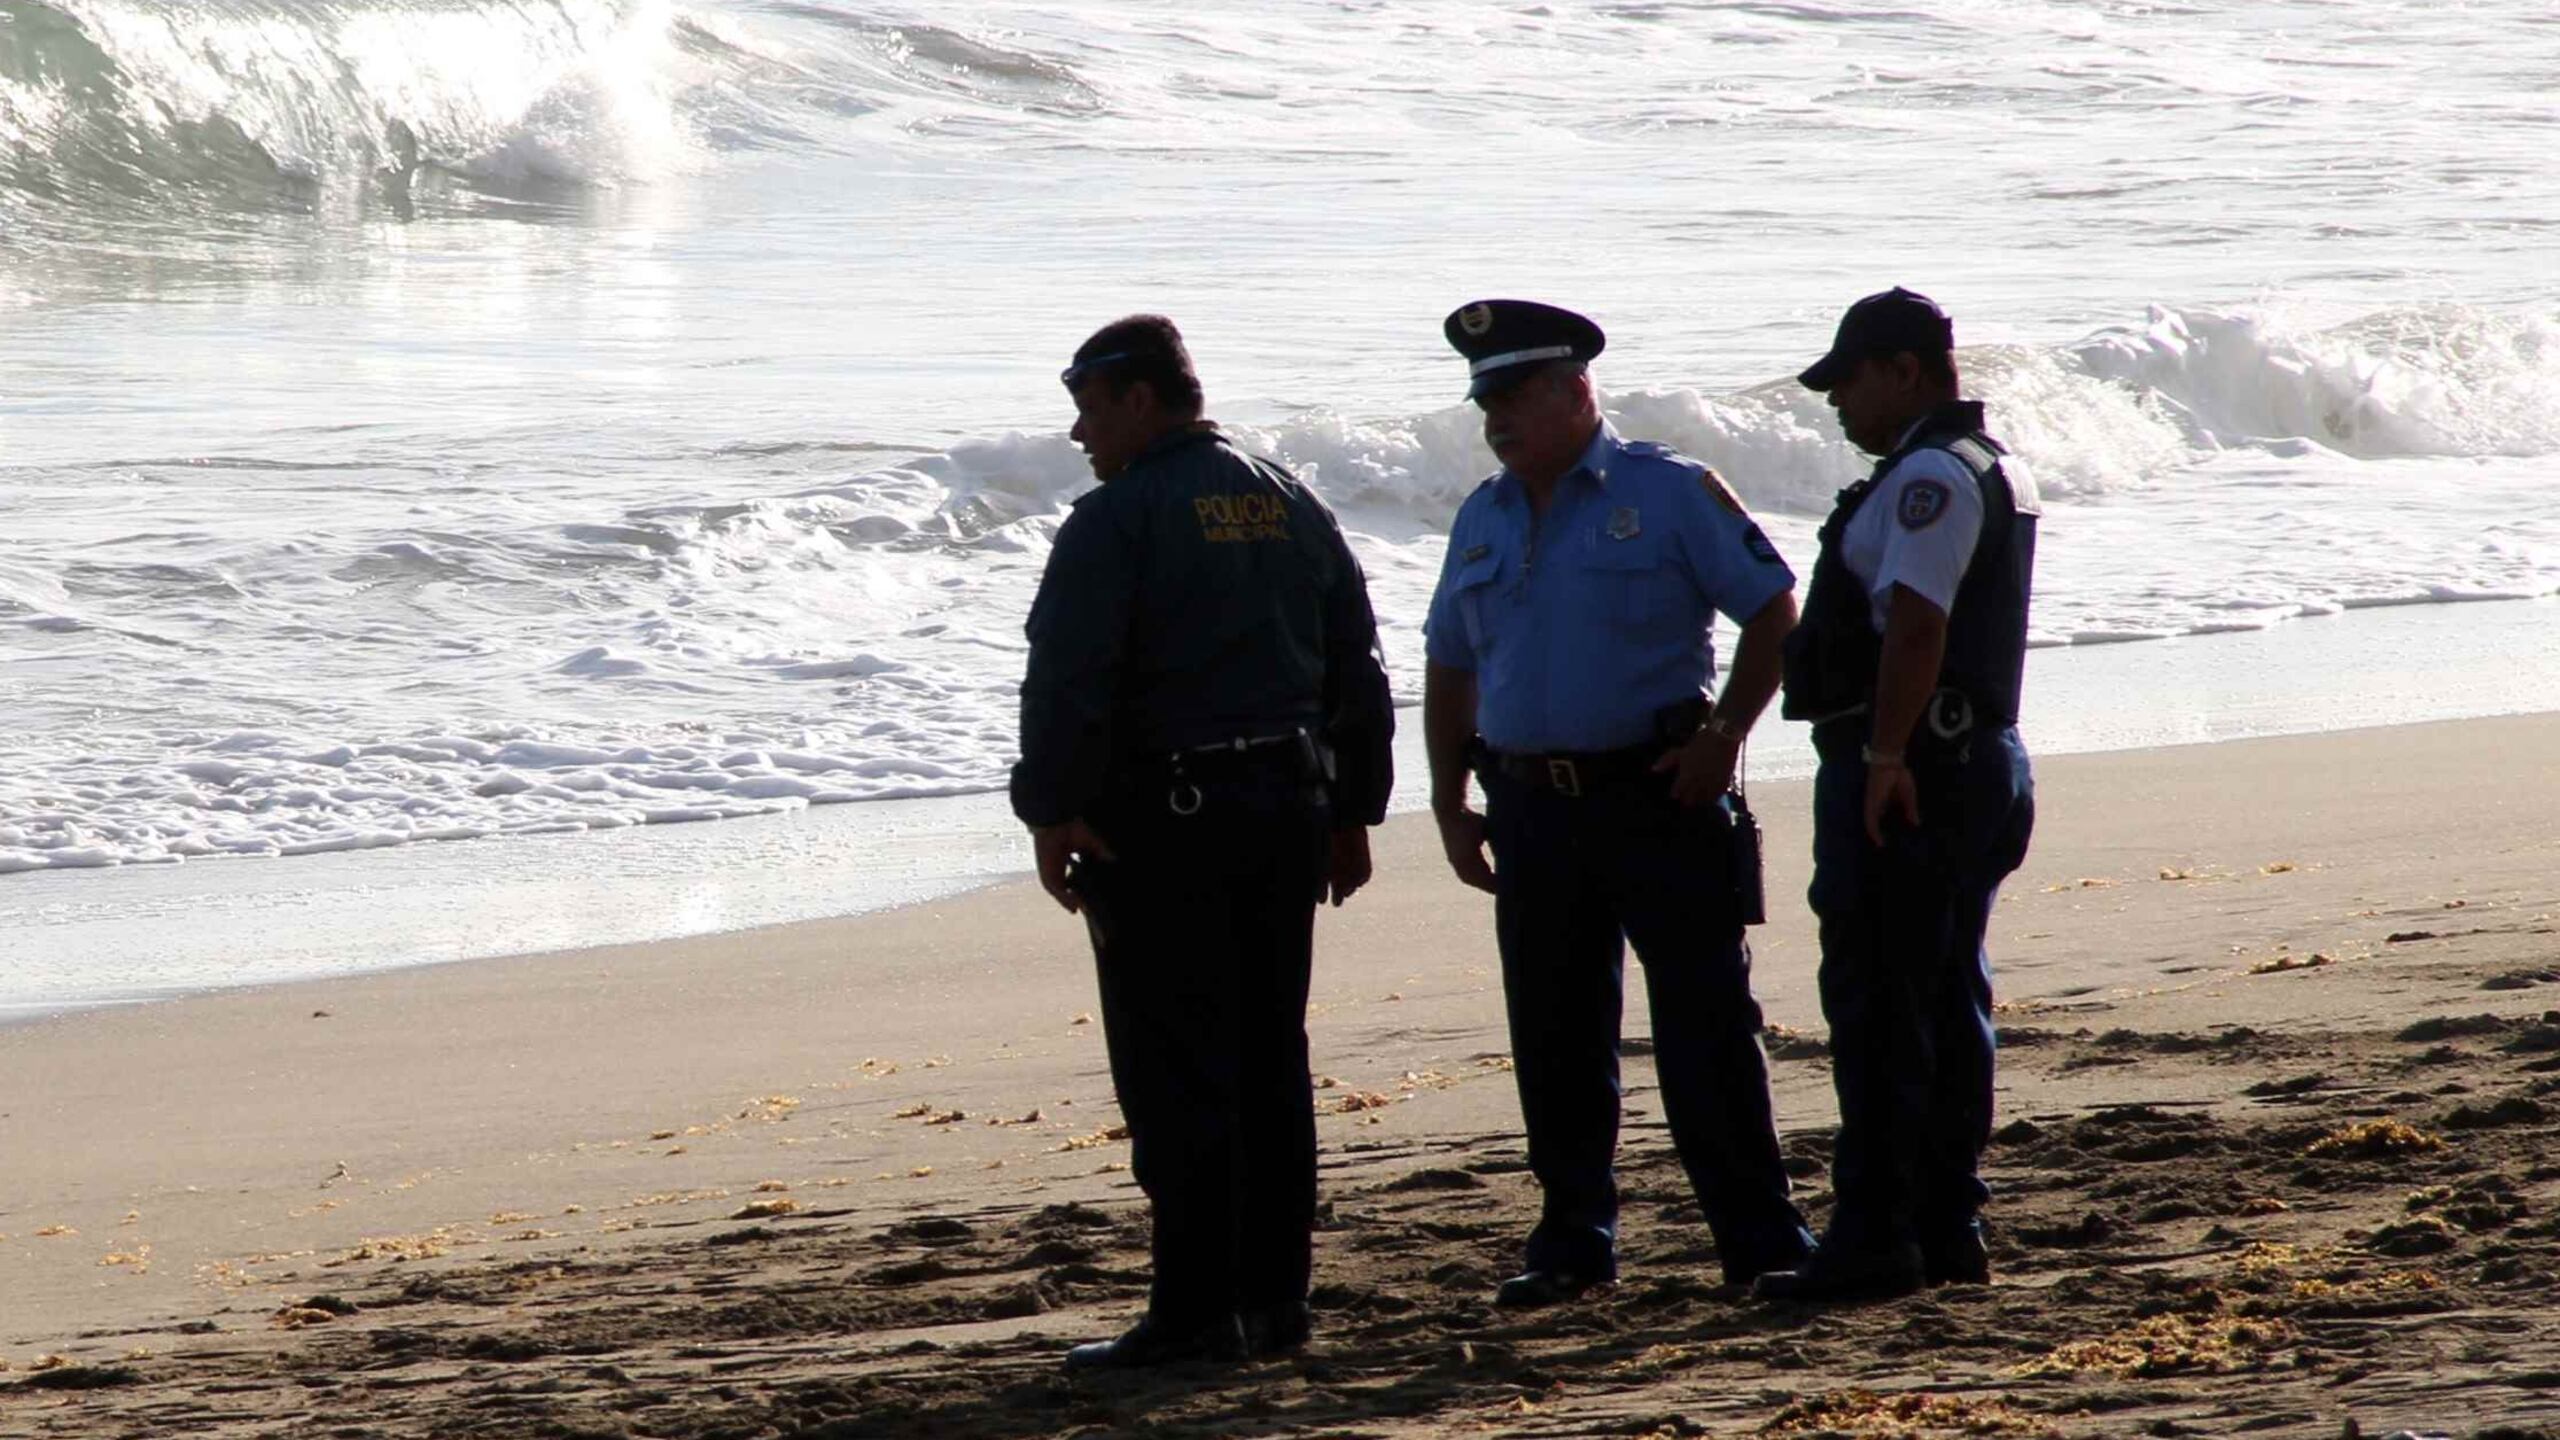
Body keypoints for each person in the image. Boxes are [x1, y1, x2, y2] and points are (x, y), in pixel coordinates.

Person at [1011, 315, 1395, 1370]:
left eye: (1089, 409)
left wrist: (1050, 806)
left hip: (1168, 827)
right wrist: (1354, 806)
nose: (1080, 434)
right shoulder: (1287, 498)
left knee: (1177, 1071)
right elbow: (1353, 660)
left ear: (1141, 400)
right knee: (1271, 1061)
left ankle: (1193, 1312)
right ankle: (1275, 1301)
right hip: (1284, 814)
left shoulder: (1119, 516)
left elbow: (1069, 675)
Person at [1421, 299, 1814, 1308]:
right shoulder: (1483, 511)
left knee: (1705, 1029)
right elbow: (1449, 662)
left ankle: (1759, 1236)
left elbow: (1774, 610)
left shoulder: (1668, 492)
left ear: (1575, 390)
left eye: (1514, 396)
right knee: (1553, 1033)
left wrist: (1725, 733)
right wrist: (1447, 796)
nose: (1497, 420)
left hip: (1656, 793)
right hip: (1528, 804)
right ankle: (1571, 1238)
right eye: (1486, 403)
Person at [1754, 287, 2039, 1303]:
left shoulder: (1927, 477)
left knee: (1881, 1003)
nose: (1836, 403)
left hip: (1918, 772)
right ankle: (1941, 1220)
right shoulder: (1975, 465)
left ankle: (1880, 1233)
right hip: (1967, 762)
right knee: (1941, 992)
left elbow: (1917, 625)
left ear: (1904, 371)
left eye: (1848, 381)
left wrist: (1882, 757)